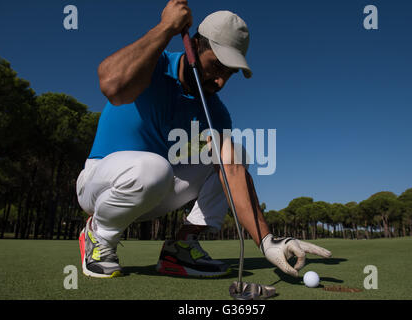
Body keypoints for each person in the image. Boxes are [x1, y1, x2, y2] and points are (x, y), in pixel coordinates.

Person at [76, 0, 331, 279]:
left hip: (153, 191)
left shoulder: (215, 112)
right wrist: (165, 27)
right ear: (194, 46)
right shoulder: (153, 65)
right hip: (99, 184)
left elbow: (232, 170)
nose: (220, 81)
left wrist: (267, 240)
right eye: (217, 66)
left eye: (229, 73)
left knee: (235, 154)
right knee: (153, 169)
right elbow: (112, 86)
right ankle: (98, 236)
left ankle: (181, 247)